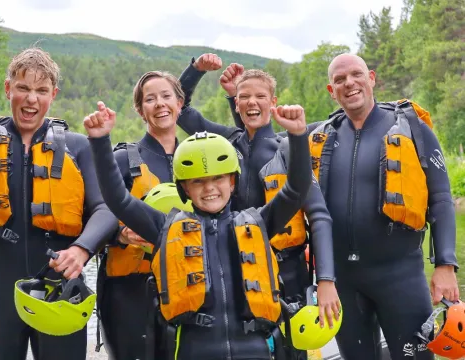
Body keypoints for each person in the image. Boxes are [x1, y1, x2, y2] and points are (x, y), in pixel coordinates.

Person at [0, 47, 118, 360]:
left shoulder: (79, 147)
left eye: (41, 90)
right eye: (23, 88)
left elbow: (106, 210)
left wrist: (81, 250)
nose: (32, 99)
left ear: (53, 94)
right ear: (7, 89)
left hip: (60, 292)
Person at [85, 97, 313, 359]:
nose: (210, 188)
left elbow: (296, 189)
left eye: (218, 178)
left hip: (255, 350)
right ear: (184, 188)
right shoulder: (165, 228)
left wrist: (298, 135)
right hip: (194, 350)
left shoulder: (260, 222)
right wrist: (100, 141)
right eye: (198, 182)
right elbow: (119, 199)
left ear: (232, 182)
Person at [177, 54, 341, 359]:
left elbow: (319, 215)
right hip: (240, 269)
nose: (252, 102)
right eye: (244, 97)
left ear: (273, 102)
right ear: (235, 103)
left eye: (260, 96)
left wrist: (326, 281)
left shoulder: (289, 150)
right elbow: (181, 111)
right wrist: (196, 70)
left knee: (291, 352)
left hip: (289, 271)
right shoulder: (226, 143)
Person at [307, 53, 460, 359]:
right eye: (339, 79)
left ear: (372, 78)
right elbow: (260, 139)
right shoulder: (321, 136)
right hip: (343, 282)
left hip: (399, 274)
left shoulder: (412, 128)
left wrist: (445, 264)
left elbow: (441, 198)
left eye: (356, 74)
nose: (349, 83)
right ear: (331, 90)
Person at [93, 70, 186, 360]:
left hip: (184, 286)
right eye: (150, 99)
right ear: (140, 110)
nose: (159, 104)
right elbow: (92, 216)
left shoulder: (197, 160)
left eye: (166, 96)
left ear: (180, 104)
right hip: (128, 292)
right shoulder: (122, 160)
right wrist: (119, 234)